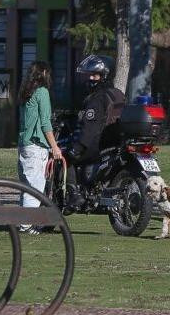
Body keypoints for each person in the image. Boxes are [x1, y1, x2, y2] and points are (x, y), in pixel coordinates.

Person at [64, 54, 125, 211]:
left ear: (105, 75)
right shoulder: (117, 93)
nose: (91, 78)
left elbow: (90, 128)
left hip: (97, 145)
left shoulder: (97, 98)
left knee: (66, 157)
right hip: (114, 143)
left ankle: (75, 195)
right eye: (90, 74)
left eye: (95, 75)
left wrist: (78, 147)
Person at [17, 61, 63, 234]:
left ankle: (21, 221)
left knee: (25, 186)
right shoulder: (42, 92)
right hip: (36, 146)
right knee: (35, 187)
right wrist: (55, 147)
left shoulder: (26, 93)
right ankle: (26, 224)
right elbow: (45, 123)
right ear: (44, 73)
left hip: (24, 144)